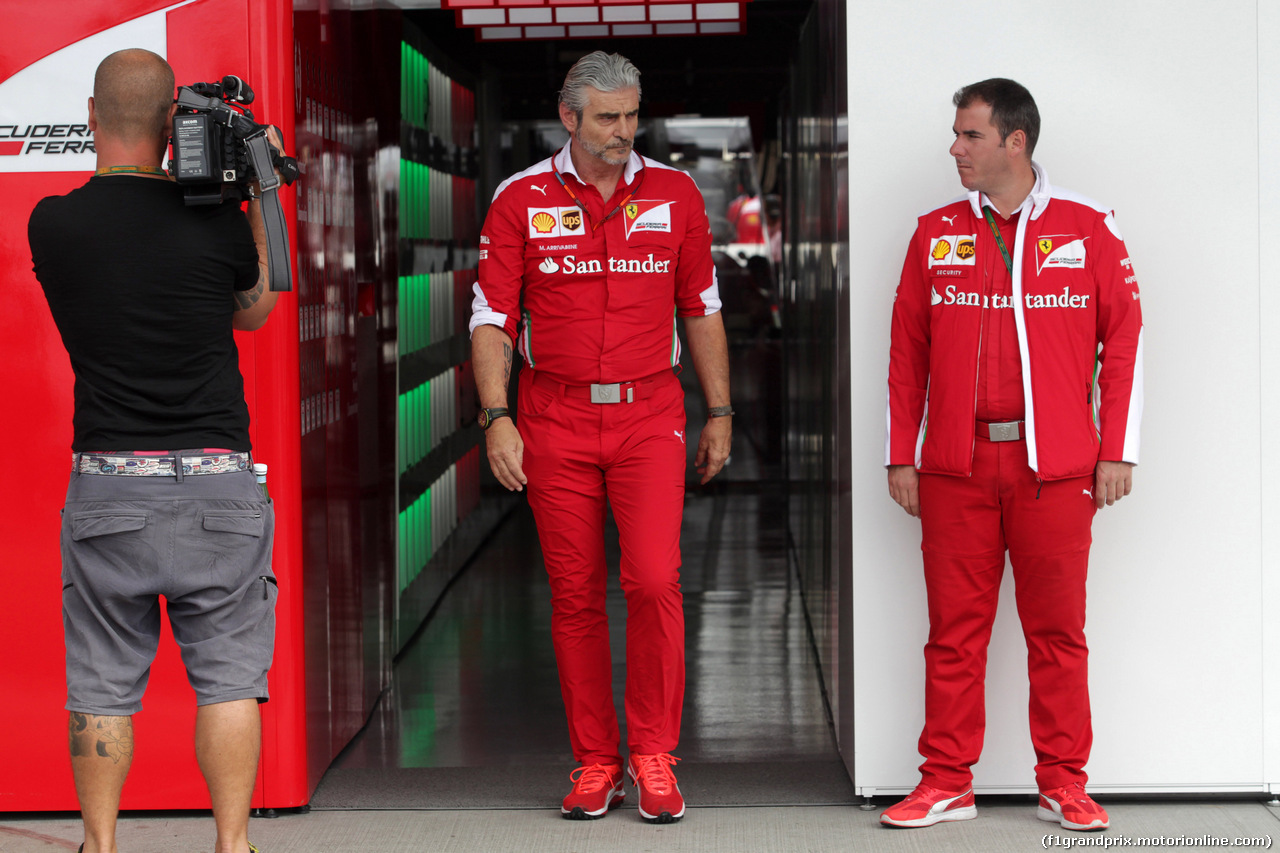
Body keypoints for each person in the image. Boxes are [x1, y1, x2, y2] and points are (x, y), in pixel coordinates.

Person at [28, 49, 284, 853]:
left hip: (110, 486)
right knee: (230, 679)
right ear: (175, 122)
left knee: (101, 683)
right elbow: (254, 312)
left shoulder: (54, 222)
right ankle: (233, 844)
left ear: (92, 117)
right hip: (218, 481)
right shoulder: (213, 219)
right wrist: (258, 190)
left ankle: (101, 846)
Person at [469, 50, 731, 824]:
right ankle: (595, 762)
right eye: (609, 118)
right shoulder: (519, 199)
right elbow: (491, 317)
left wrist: (720, 410)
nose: (624, 132)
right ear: (569, 116)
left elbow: (702, 304)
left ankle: (654, 753)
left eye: (631, 115)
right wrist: (496, 416)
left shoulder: (677, 194)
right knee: (575, 595)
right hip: (554, 415)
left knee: (653, 578)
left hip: (652, 414)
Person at [881, 78, 1143, 832]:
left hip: (1055, 471)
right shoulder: (934, 232)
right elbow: (908, 352)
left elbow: (1124, 338)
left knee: (1057, 634)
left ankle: (1063, 780)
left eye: (969, 135)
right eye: (957, 134)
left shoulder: (1088, 225)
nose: (954, 148)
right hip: (955, 468)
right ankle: (946, 782)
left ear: (1015, 142)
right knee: (952, 635)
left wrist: (1116, 448)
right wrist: (903, 453)